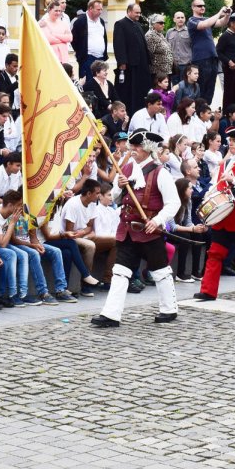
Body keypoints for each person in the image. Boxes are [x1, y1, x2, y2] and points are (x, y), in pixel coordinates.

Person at [90, 131, 180, 328]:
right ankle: (111, 314)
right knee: (120, 271)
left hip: (149, 230)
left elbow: (174, 203)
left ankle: (169, 309)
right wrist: (120, 187)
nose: (133, 150)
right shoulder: (126, 168)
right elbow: (112, 197)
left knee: (160, 271)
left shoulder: (161, 172)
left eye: (137, 147)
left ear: (148, 149)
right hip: (127, 229)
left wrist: (157, 221)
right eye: (132, 146)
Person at [194, 127, 235, 302]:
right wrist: (208, 196)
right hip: (222, 215)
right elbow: (215, 184)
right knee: (215, 252)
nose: (230, 144)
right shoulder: (224, 163)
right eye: (230, 141)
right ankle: (208, 290)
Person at [188, 0, 230, 104]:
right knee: (201, 86)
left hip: (212, 57)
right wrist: (220, 13)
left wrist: (227, 15)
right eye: (199, 6)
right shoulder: (191, 20)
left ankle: (206, 109)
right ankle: (198, 110)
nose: (202, 7)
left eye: (203, 5)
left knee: (210, 87)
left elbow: (221, 23)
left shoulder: (207, 19)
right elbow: (203, 25)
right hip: (201, 58)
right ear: (193, 7)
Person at [112, 2, 150, 114]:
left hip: (141, 65)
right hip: (129, 65)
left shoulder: (138, 24)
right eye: (136, 12)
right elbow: (118, 44)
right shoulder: (120, 24)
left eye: (139, 12)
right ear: (129, 12)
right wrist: (122, 62)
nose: (139, 15)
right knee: (129, 91)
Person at [216, 13, 235, 110]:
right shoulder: (225, 36)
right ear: (231, 24)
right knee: (229, 91)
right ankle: (227, 112)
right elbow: (218, 52)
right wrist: (228, 61)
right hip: (229, 68)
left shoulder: (234, 35)